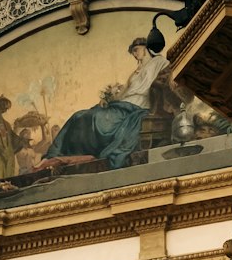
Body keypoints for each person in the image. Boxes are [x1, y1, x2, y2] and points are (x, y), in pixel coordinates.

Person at [42, 39, 170, 170]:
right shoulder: (136, 72)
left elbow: (166, 78)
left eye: (136, 50)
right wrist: (109, 97)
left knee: (94, 118)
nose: (135, 54)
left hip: (136, 106)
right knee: (79, 115)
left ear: (145, 47)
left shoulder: (159, 62)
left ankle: (77, 151)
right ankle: (54, 154)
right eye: (133, 52)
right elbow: (124, 92)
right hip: (122, 105)